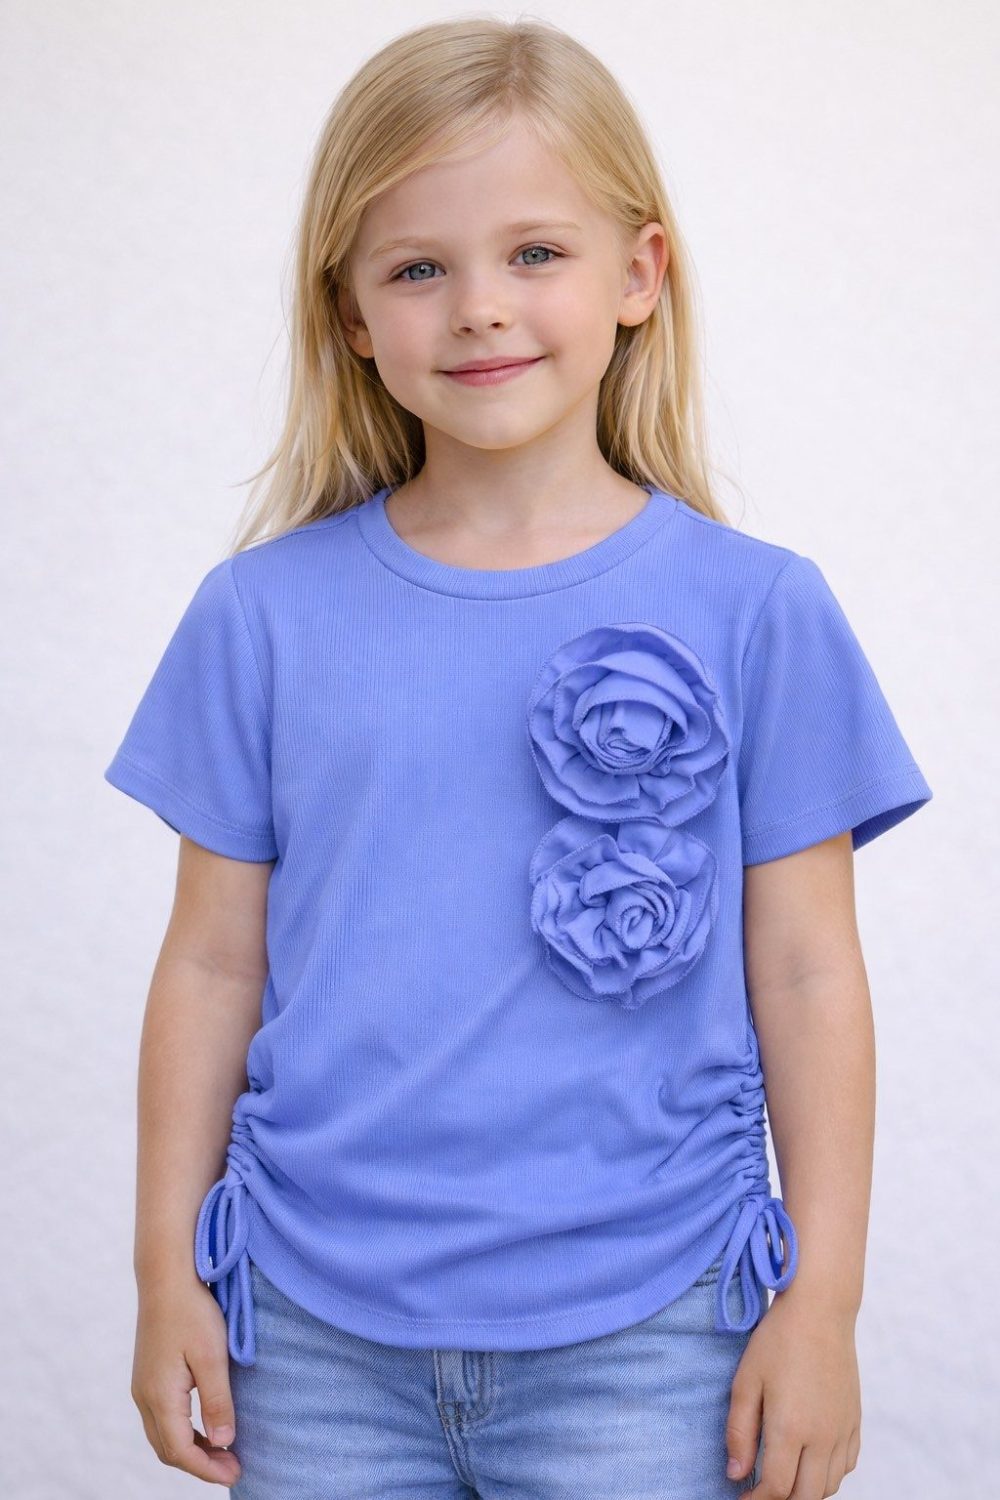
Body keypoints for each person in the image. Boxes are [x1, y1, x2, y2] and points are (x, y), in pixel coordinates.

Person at [104, 17, 933, 1500]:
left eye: (535, 253)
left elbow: (811, 976)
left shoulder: (759, 612)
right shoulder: (260, 616)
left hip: (657, 1330)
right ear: (353, 315)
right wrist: (169, 1271)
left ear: (639, 275)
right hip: (310, 1328)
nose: (480, 307)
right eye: (418, 268)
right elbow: (212, 965)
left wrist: (823, 1305)